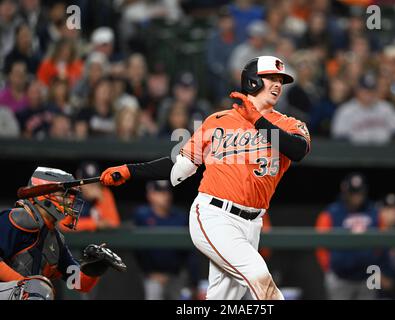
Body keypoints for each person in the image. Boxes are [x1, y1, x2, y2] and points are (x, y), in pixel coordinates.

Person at [100, 55, 311, 300]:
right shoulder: (217, 120)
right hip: (214, 215)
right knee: (262, 281)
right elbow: (180, 167)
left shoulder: (289, 124)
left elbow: (297, 150)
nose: (277, 84)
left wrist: (257, 119)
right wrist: (130, 170)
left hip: (252, 224)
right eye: (270, 78)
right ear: (253, 81)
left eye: (280, 80)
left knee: (223, 300)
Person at [0, 167, 126, 300]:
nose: (70, 201)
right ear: (43, 194)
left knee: (40, 291)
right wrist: (27, 286)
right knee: (40, 290)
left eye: (71, 195)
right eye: (64, 194)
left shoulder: (54, 239)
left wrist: (94, 269)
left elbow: (78, 284)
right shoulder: (17, 218)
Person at [315, 172, 394, 300]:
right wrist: (329, 268)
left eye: (359, 192)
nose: (357, 196)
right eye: (353, 192)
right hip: (340, 276)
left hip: (368, 276)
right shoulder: (332, 213)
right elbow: (320, 244)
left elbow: (383, 243)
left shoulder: (374, 212)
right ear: (345, 191)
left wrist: (377, 268)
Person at [134, 180, 199, 300]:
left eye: (167, 192)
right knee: (153, 292)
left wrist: (194, 282)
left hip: (176, 275)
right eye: (160, 192)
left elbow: (190, 252)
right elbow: (139, 249)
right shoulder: (142, 215)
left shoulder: (180, 217)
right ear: (150, 195)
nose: (165, 196)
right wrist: (149, 272)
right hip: (152, 275)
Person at [59, 162, 121, 232]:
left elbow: (114, 223)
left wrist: (101, 201)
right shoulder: (71, 194)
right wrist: (95, 224)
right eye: (87, 181)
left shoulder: (103, 193)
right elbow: (62, 225)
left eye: (94, 180)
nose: (91, 185)